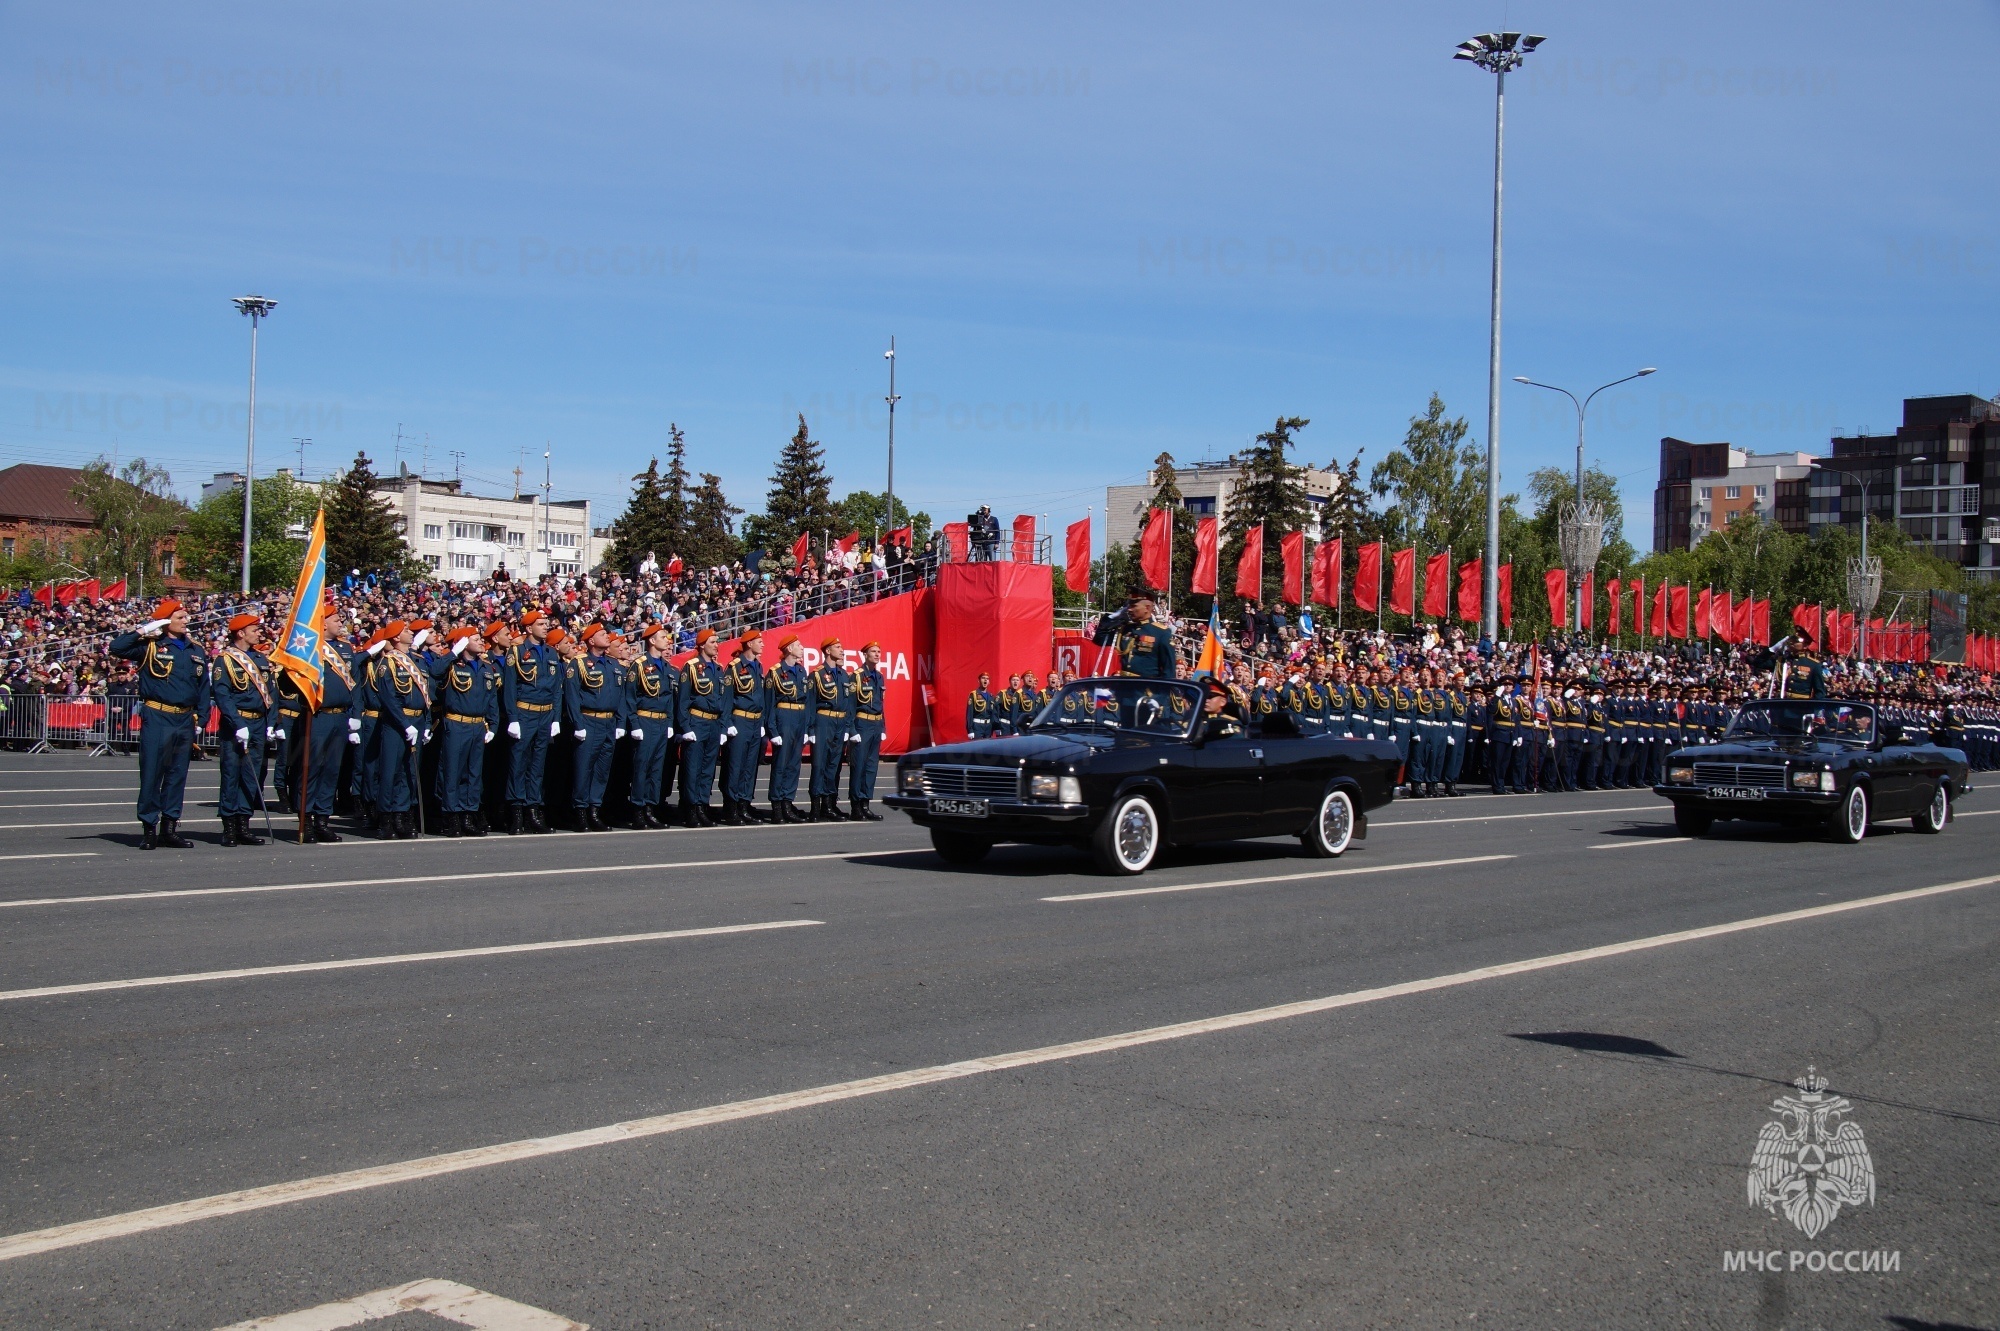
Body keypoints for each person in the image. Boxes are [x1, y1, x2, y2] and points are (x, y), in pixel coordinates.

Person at [109, 599, 210, 849]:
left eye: (186, 617)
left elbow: (203, 688)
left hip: (185, 719)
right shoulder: (150, 646)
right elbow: (117, 647)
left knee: (177, 775)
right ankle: (149, 828)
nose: (187, 621)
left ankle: (170, 827)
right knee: (153, 772)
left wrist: (202, 719)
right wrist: (144, 629)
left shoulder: (195, 650)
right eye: (181, 617)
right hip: (158, 716)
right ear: (166, 621)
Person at [298, 599, 359, 843]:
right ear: (322, 624)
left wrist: (355, 716)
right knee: (312, 769)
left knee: (332, 771)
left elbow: (354, 685)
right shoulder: (308, 648)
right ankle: (307, 818)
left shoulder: (345, 649)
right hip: (318, 716)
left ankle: (323, 819)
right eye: (335, 619)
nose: (340, 623)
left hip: (340, 716)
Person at [211, 611, 273, 846]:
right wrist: (237, 724)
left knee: (252, 775)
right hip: (236, 724)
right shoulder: (225, 660)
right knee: (231, 774)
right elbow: (222, 694)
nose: (259, 633)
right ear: (241, 632)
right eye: (254, 629)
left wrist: (270, 723)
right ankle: (228, 825)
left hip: (258, 723)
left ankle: (244, 823)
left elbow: (271, 693)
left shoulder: (260, 660)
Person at [366, 620, 432, 839]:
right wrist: (405, 724)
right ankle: (385, 819)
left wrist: (426, 724)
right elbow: (389, 698)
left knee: (409, 772)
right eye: (405, 631)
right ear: (395, 637)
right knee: (390, 771)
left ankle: (401, 816)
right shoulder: (389, 663)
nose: (409, 633)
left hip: (418, 721)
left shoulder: (418, 661)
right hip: (397, 724)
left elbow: (426, 697)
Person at [431, 626, 499, 836]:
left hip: (478, 725)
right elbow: (434, 672)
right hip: (456, 724)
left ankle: (468, 814)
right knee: (452, 772)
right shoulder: (451, 665)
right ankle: (452, 816)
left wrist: (493, 725)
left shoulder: (486, 668)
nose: (481, 642)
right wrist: (452, 652)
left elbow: (491, 700)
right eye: (476, 639)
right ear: (463, 643)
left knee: (473, 773)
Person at [500, 610, 562, 834]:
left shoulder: (551, 653)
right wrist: (513, 718)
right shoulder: (516, 652)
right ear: (528, 628)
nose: (546, 627)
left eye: (547, 623)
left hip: (545, 714)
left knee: (537, 766)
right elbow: (509, 689)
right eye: (541, 624)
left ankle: (533, 810)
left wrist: (555, 717)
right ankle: (516, 812)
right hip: (524, 713)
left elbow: (556, 689)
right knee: (518, 764)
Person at [564, 622, 625, 831]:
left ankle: (594, 809)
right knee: (584, 768)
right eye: (602, 634)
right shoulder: (579, 663)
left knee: (602, 770)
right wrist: (577, 724)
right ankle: (580, 811)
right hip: (589, 720)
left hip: (609, 722)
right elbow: (572, 696)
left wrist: (620, 721)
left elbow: (622, 696)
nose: (607, 637)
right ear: (591, 641)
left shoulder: (613, 665)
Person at [626, 621, 678, 829]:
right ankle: (638, 809)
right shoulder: (639, 666)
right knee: (642, 768)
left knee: (657, 768)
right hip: (645, 720)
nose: (667, 641)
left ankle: (650, 808)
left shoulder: (666, 666)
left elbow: (668, 698)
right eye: (663, 637)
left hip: (660, 721)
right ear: (652, 640)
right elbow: (630, 697)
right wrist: (634, 723)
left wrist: (669, 721)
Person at [676, 628, 727, 826]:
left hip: (713, 723)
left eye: (717, 641)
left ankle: (702, 805)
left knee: (708, 769)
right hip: (697, 721)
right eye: (713, 642)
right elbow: (683, 701)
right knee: (693, 768)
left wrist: (721, 726)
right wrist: (685, 727)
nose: (716, 645)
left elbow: (722, 700)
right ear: (702, 644)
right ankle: (690, 808)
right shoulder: (691, 667)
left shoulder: (718, 668)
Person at [720, 629, 769, 825]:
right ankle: (731, 807)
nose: (763, 645)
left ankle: (744, 804)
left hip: (755, 721)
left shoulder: (758, 666)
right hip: (739, 719)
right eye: (759, 641)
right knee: (735, 765)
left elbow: (761, 698)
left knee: (750, 766)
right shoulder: (734, 667)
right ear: (749, 644)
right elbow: (727, 698)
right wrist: (728, 724)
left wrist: (762, 722)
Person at [806, 635, 855, 821]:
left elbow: (849, 705)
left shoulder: (844, 675)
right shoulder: (816, 675)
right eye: (838, 647)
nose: (842, 650)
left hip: (839, 723)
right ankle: (816, 807)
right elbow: (810, 705)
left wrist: (848, 728)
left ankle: (829, 804)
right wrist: (810, 730)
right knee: (819, 764)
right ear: (828, 651)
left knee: (834, 765)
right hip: (823, 721)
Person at [764, 633, 811, 823]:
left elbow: (806, 701)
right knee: (781, 764)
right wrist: (773, 731)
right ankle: (777, 805)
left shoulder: (801, 672)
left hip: (799, 718)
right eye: (798, 645)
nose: (802, 648)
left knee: (794, 764)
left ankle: (787, 802)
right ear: (789, 649)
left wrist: (806, 728)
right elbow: (770, 704)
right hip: (784, 718)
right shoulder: (775, 672)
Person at [848, 639, 887, 820]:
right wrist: (852, 729)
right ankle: (856, 806)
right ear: (865, 655)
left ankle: (866, 803)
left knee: (871, 767)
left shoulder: (879, 677)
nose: (877, 654)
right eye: (873, 651)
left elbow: (881, 703)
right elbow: (850, 705)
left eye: (879, 651)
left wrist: (883, 726)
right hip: (862, 723)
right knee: (859, 766)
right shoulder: (856, 676)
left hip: (876, 724)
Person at [1115, 599, 1175, 679]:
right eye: (1129, 606)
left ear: (1147, 608)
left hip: (1145, 688)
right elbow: (1100, 641)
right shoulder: (1125, 629)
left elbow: (1168, 670)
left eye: (1134, 606)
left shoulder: (1161, 632)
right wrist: (1111, 619)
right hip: (1122, 685)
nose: (1129, 609)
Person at [966, 671, 998, 740]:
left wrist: (993, 728)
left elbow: (993, 714)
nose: (985, 680)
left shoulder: (991, 696)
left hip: (988, 728)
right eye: (983, 678)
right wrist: (970, 730)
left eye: (987, 678)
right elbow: (969, 714)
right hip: (977, 727)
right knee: (977, 748)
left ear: (989, 682)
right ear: (979, 680)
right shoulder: (974, 695)